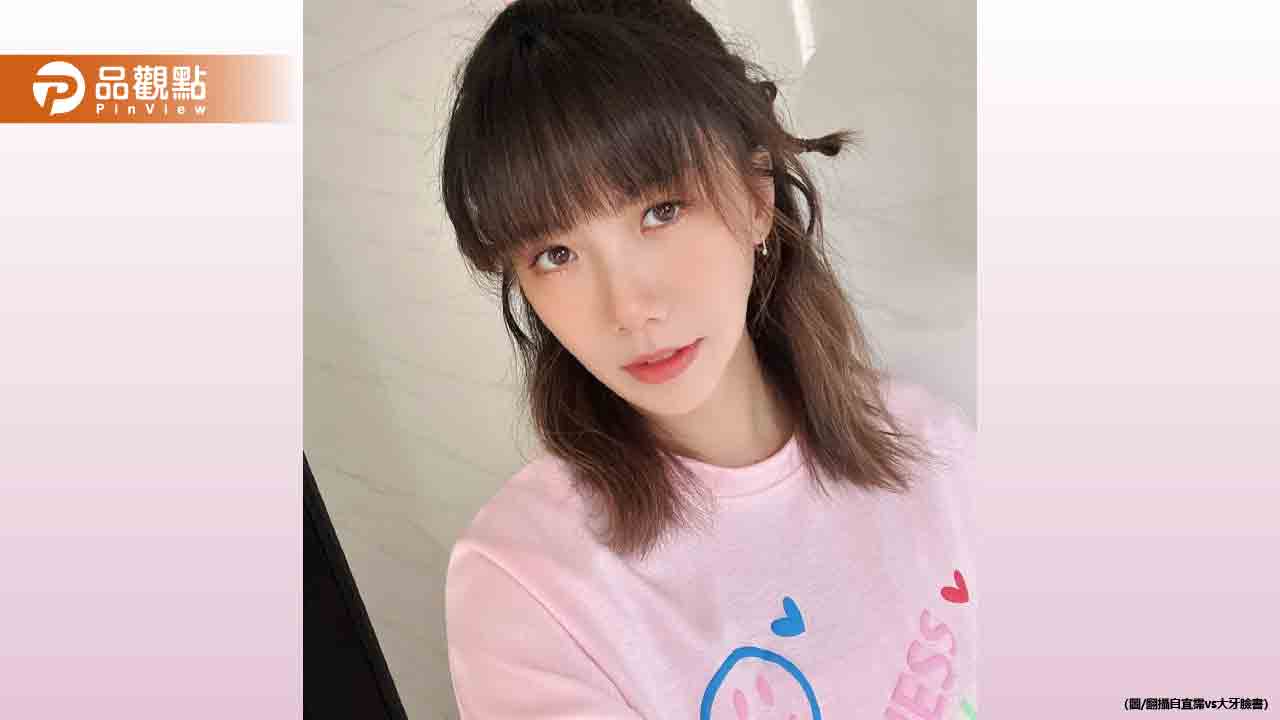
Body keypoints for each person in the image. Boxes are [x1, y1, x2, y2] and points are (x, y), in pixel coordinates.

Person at [436, 1, 977, 717]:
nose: (630, 309)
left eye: (660, 211)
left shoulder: (934, 448)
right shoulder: (528, 584)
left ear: (756, 196)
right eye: (556, 254)